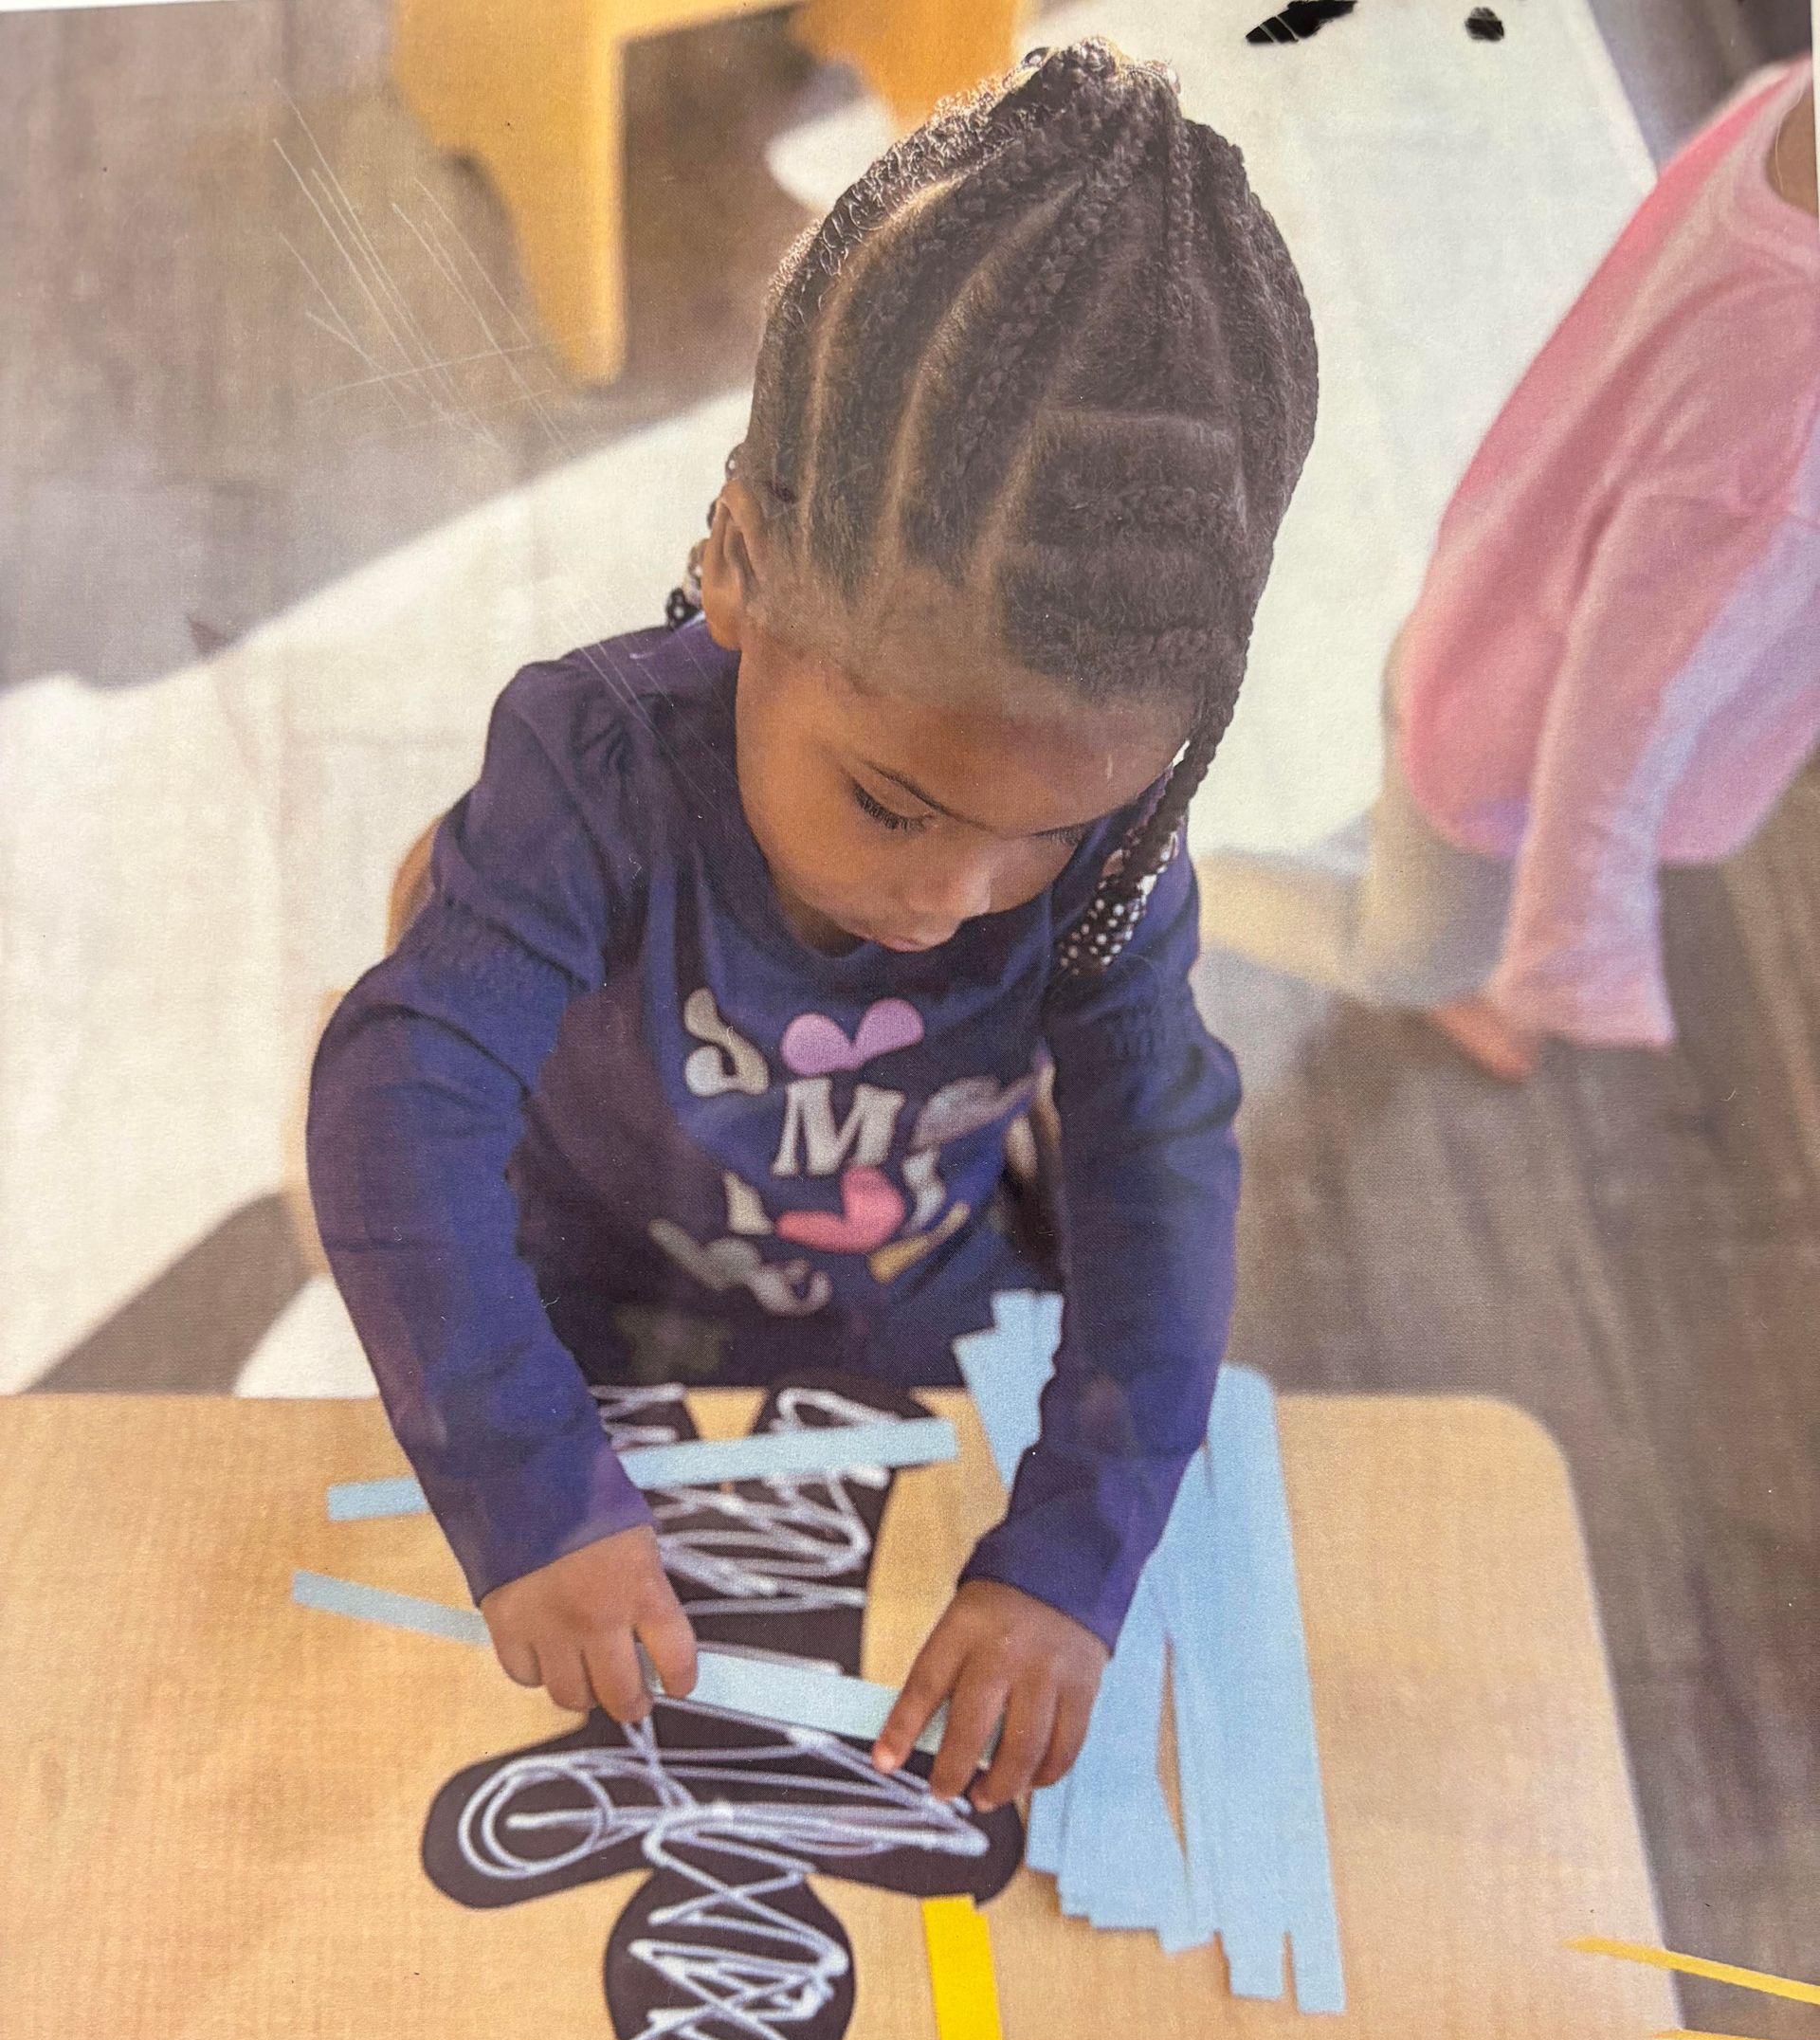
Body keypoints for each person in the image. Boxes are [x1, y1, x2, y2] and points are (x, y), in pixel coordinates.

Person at [306, 43, 1317, 1809]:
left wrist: (1068, 1561)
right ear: (739, 562)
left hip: (914, 1313)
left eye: (1047, 832)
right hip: (590, 1300)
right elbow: (396, 1103)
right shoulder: (595, 768)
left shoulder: (1117, 858)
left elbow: (1160, 1179)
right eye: (892, 804)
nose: (952, 899)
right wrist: (525, 1484)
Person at [1196, 56, 1819, 1082]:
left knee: (1424, 855)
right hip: (1508, 746)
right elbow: (1625, 712)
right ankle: (1173, 895)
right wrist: (1579, 945)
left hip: (1496, 603)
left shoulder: (1799, 113)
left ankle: (1448, 925)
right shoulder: (1786, 435)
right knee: (1404, 952)